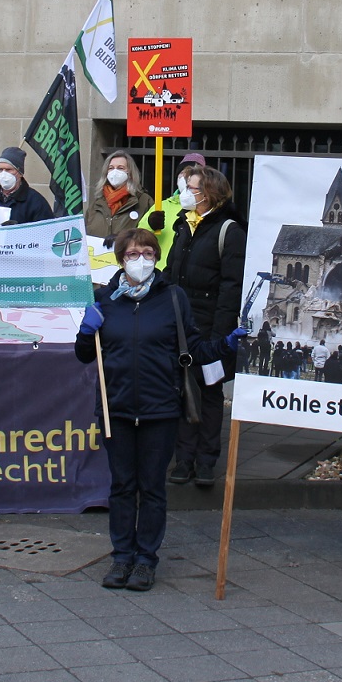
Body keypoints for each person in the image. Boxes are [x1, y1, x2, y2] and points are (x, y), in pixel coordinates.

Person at [76, 228, 240, 591]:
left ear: (157, 257)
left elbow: (193, 350)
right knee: (121, 487)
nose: (141, 260)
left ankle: (146, 560)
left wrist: (226, 345)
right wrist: (87, 331)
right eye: (133, 254)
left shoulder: (173, 298)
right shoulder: (104, 299)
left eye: (148, 253)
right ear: (121, 259)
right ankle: (121, 557)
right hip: (115, 408)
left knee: (152, 488)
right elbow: (85, 355)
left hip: (160, 410)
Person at [165, 163, 244, 487]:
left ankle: (206, 460)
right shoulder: (184, 225)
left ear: (209, 193)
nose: (185, 193)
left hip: (211, 329)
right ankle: (183, 459)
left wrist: (219, 337)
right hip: (181, 327)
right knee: (184, 393)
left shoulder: (229, 230)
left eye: (192, 188)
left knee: (210, 395)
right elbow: (171, 272)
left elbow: (231, 288)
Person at [145, 151, 207, 269]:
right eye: (183, 172)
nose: (186, 177)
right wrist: (150, 226)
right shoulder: (161, 205)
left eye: (192, 173)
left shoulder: (208, 209)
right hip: (160, 271)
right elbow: (138, 236)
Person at [85, 151, 152, 241]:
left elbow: (150, 235)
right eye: (111, 168)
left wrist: (122, 239)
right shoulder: (97, 203)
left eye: (121, 168)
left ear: (130, 173)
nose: (115, 171)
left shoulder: (144, 201)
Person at [0, 147, 54, 224]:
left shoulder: (35, 201)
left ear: (20, 173)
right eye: (0, 169)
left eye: (8, 170)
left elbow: (45, 230)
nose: (3, 174)